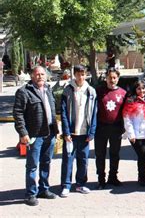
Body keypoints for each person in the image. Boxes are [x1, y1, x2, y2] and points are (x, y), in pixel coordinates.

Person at [13, 66, 59, 206]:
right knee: (32, 166)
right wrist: (23, 133)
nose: (40, 76)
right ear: (32, 76)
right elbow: (18, 114)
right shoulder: (24, 92)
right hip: (34, 135)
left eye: (42, 74)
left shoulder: (48, 89)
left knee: (46, 162)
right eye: (37, 74)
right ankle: (30, 194)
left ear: (46, 76)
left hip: (50, 133)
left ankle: (43, 189)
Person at [60, 64, 98, 197]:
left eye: (83, 74)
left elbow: (94, 113)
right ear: (74, 75)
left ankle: (81, 184)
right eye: (78, 74)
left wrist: (91, 132)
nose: (81, 77)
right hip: (71, 133)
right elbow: (63, 112)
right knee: (68, 159)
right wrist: (66, 132)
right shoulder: (68, 90)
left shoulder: (91, 91)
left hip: (84, 134)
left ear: (86, 74)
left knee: (83, 160)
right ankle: (66, 185)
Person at [94, 67, 127, 189]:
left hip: (116, 127)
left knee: (115, 154)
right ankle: (101, 180)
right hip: (101, 127)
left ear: (118, 78)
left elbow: (126, 111)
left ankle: (113, 177)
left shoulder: (123, 93)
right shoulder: (98, 91)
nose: (112, 80)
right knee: (100, 154)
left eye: (114, 77)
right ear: (106, 78)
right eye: (109, 77)